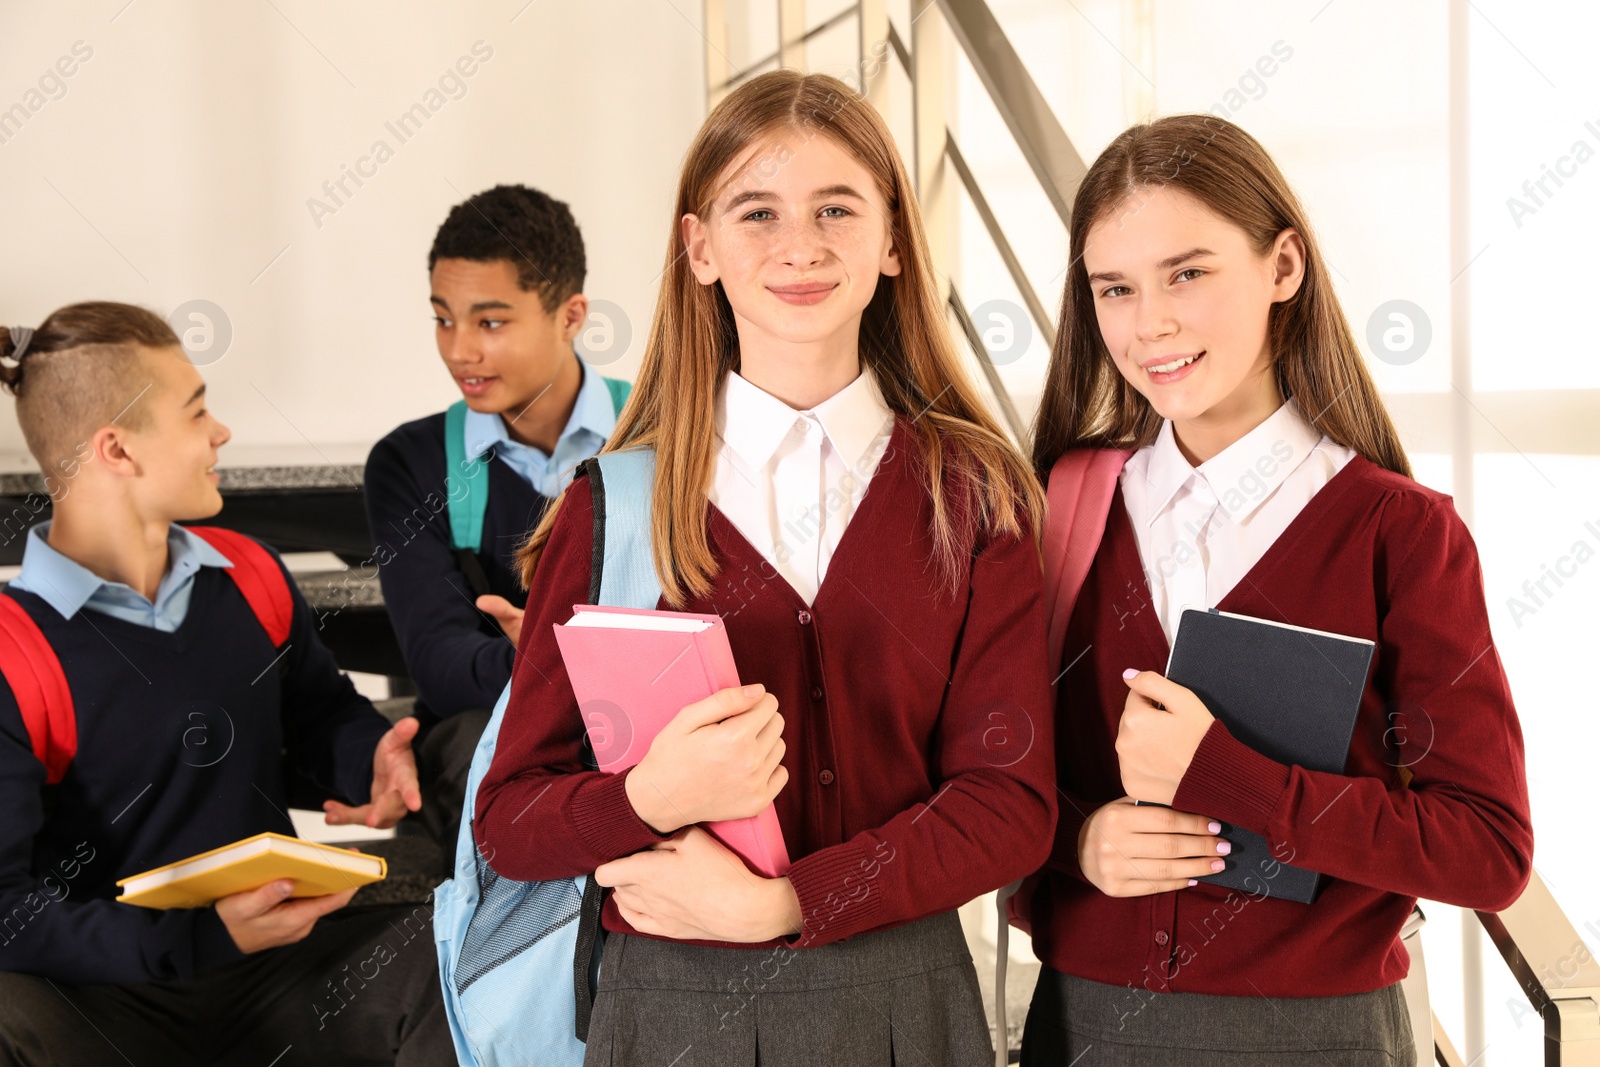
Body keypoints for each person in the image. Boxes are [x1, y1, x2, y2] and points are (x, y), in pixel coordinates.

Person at [474, 70, 1056, 1066]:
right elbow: (511, 822)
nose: (800, 244)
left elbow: (1010, 806)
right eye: (757, 212)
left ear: (892, 242)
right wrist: (646, 796)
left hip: (903, 1006)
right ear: (699, 248)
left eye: (838, 208)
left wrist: (787, 901)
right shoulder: (611, 505)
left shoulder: (974, 493)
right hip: (668, 1009)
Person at [1021, 114, 1533, 1065]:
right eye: (1115, 288)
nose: (1151, 323)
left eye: (1188, 272)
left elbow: (1486, 851)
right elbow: (995, 776)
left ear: (1283, 267)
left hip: (1318, 1037)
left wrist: (1227, 775)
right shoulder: (1064, 505)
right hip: (1083, 1022)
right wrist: (1076, 843)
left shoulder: (1401, 533)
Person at [0, 303, 451, 1065]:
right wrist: (200, 935)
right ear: (117, 448)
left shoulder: (248, 571)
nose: (221, 432)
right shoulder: (16, 650)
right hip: (103, 995)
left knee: (451, 965)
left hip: (273, 968)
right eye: (197, 409)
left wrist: (367, 758)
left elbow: (318, 712)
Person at [363, 184, 629, 851]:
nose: (459, 352)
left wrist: (536, 651)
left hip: (644, 718)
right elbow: (441, 665)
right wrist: (576, 661)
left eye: (490, 322)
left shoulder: (666, 432)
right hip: (487, 730)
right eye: (442, 319)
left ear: (571, 316)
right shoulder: (411, 463)